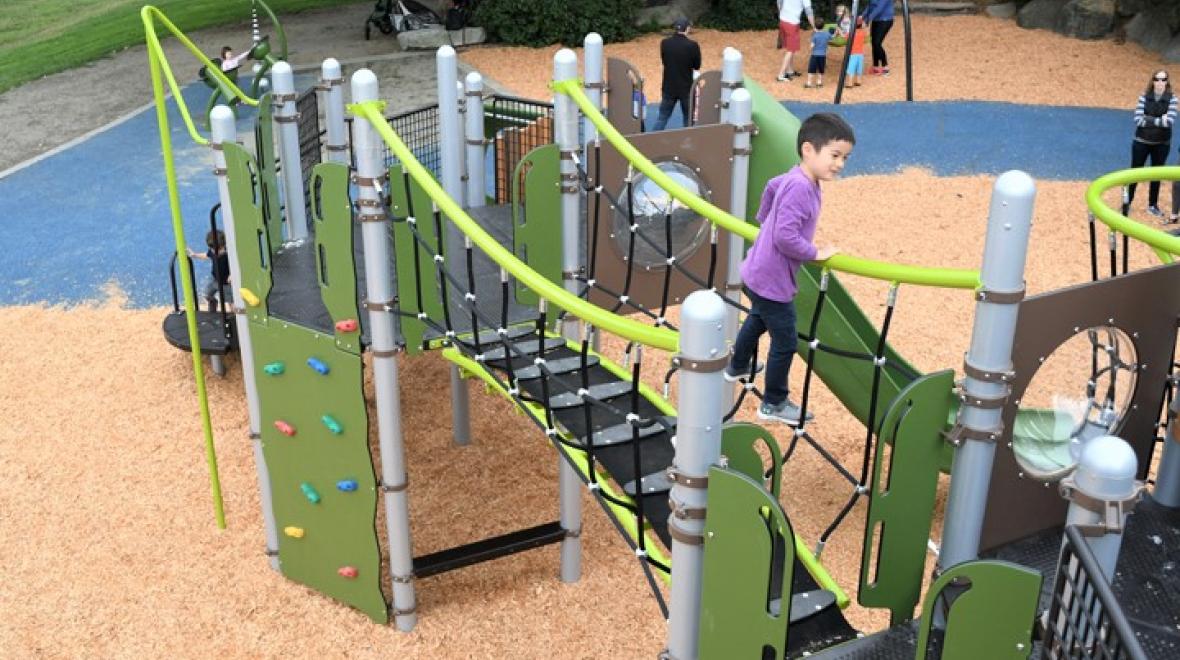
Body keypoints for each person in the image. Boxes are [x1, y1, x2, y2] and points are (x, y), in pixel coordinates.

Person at [724, 113, 854, 425]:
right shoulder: (801, 187)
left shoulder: (797, 177)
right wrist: (816, 253)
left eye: (845, 158)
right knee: (785, 341)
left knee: (758, 318)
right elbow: (785, 237)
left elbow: (772, 185)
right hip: (772, 278)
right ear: (808, 149)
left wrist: (764, 218)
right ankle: (774, 402)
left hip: (757, 270)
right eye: (835, 155)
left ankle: (737, 365)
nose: (840, 164)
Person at [1126, 70, 1176, 219]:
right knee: (1135, 172)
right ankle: (1127, 202)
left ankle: (1152, 204)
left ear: (1167, 82)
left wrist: (1148, 119)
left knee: (1156, 174)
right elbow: (1137, 119)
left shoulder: (1172, 99)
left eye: (1163, 79)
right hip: (1141, 141)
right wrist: (1159, 120)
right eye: (1157, 79)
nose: (1160, 82)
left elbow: (1169, 121)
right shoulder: (1144, 97)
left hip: (1162, 143)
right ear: (1153, 81)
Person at [652, 18, 701, 132]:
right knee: (688, 118)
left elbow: (664, 61)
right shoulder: (692, 45)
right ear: (687, 28)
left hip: (669, 87)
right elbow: (697, 66)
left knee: (662, 117)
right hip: (686, 87)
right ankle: (687, 139)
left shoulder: (665, 43)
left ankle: (652, 139)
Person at [187, 229, 231, 312]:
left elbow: (235, 265)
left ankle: (235, 316)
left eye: (219, 250)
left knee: (231, 302)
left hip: (226, 283)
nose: (215, 252)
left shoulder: (228, 254)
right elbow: (207, 255)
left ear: (224, 246)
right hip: (214, 279)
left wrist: (231, 275)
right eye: (212, 249)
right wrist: (195, 255)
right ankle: (213, 304)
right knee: (207, 294)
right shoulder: (212, 251)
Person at [776, 0, 815, 82]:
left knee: (790, 48)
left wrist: (782, 13)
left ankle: (790, 71)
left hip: (783, 20)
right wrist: (814, 27)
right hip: (792, 23)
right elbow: (809, 12)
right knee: (791, 50)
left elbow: (779, 1)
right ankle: (781, 75)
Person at [864, 0, 895, 76]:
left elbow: (879, 8)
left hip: (886, 19)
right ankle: (876, 67)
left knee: (877, 43)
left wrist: (868, 19)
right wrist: (863, 16)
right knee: (873, 42)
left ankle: (885, 67)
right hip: (876, 19)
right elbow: (870, 6)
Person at [804, 22, 834, 89]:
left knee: (811, 69)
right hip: (822, 55)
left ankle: (809, 83)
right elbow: (832, 38)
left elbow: (812, 46)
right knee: (821, 69)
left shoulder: (815, 36)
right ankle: (819, 83)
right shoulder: (827, 34)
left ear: (815, 27)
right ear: (823, 26)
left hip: (814, 55)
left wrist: (809, 48)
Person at [845, 17, 867, 88]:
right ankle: (858, 81)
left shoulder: (851, 33)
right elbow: (865, 32)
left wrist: (839, 30)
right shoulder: (863, 32)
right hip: (860, 54)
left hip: (853, 54)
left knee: (851, 68)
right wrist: (864, 26)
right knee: (859, 68)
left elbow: (845, 37)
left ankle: (850, 83)